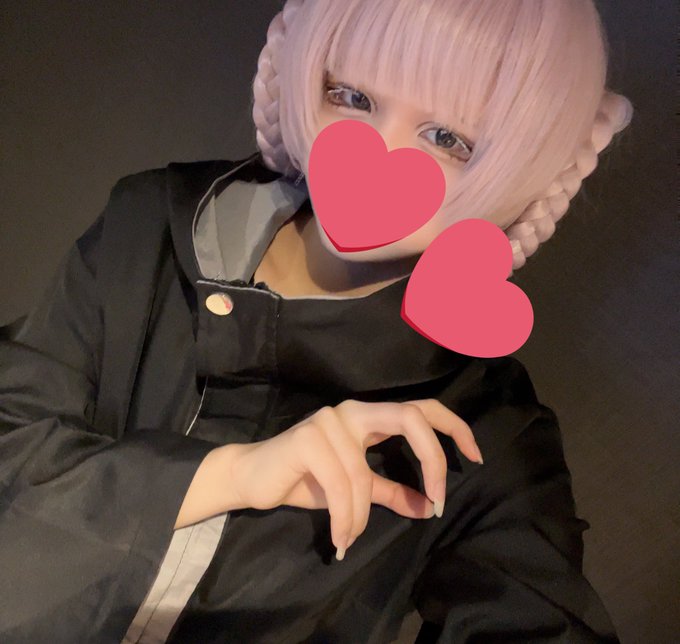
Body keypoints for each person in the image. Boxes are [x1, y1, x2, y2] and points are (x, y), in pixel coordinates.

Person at [0, 0, 633, 642]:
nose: (379, 153)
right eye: (352, 97)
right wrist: (226, 476)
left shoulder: (485, 425)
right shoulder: (148, 226)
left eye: (448, 139)